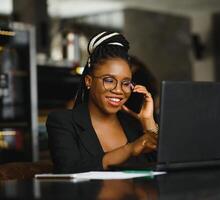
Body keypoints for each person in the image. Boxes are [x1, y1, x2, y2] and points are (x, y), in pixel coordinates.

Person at [46, 31, 158, 173]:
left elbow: (163, 167)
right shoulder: (63, 122)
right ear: (89, 81)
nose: (119, 90)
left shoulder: (133, 124)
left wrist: (148, 121)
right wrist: (130, 149)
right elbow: (69, 169)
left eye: (125, 83)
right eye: (109, 80)